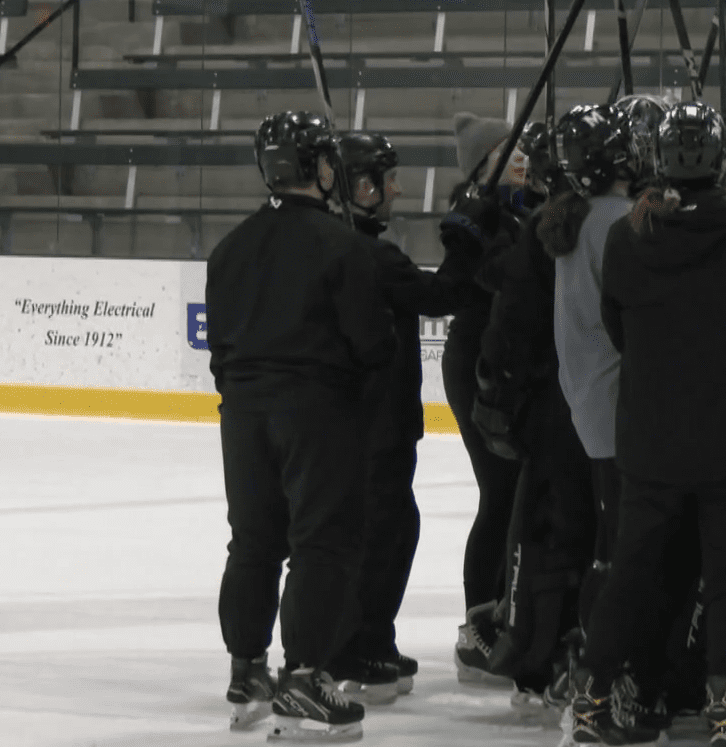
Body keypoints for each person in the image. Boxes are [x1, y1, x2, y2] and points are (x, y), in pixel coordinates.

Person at [570, 102, 726, 747]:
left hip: (651, 442)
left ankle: (591, 703)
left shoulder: (629, 235)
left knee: (631, 573)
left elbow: (619, 327)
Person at [209, 111, 394, 742]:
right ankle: (305, 678)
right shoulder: (343, 245)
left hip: (242, 413)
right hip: (316, 411)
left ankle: (247, 671)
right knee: (321, 543)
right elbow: (373, 344)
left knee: (253, 542)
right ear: (319, 168)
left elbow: (220, 351)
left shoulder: (229, 247)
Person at [330, 132, 475, 702]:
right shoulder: (373, 256)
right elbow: (442, 296)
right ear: (360, 187)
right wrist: (468, 241)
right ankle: (361, 645)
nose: (396, 188)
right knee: (383, 536)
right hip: (377, 426)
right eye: (386, 179)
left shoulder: (339, 244)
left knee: (387, 531)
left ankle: (372, 638)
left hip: (359, 423)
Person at [462, 127, 597, 704]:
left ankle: (534, 645)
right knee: (524, 513)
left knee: (540, 519)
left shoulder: (549, 224)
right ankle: (524, 640)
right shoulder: (545, 224)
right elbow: (505, 296)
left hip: (552, 400)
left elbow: (508, 294)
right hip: (560, 402)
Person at [543, 103, 642, 639]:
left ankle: (594, 659)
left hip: (588, 402)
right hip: (617, 406)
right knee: (621, 547)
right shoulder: (615, 222)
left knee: (609, 540)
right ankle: (603, 664)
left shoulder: (580, 217)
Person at [440, 112, 538, 643]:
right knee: (498, 491)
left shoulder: (516, 206)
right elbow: (488, 275)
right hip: (478, 360)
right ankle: (479, 617)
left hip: (509, 360)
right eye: (510, 148)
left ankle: (506, 606)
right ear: (485, 163)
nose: (521, 155)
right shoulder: (474, 214)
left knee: (514, 492)